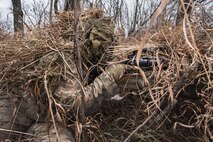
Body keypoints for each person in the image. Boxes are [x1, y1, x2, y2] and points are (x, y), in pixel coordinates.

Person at [0, 9, 146, 142]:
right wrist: (109, 78)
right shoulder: (62, 58)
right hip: (13, 118)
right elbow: (73, 106)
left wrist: (125, 81)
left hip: (45, 121)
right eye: (100, 44)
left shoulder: (86, 61)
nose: (103, 50)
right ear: (88, 40)